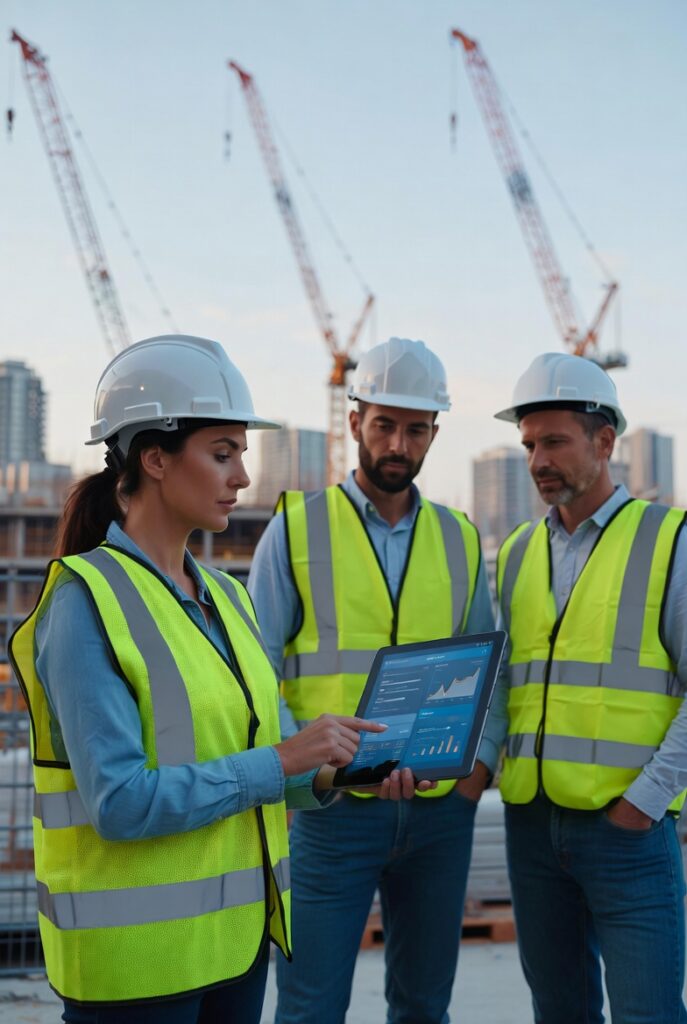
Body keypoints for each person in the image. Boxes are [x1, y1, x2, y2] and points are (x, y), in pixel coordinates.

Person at [9, 334, 395, 1023]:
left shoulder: (228, 597)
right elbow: (121, 804)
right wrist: (282, 758)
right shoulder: (84, 602)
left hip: (235, 950)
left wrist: (348, 770)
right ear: (154, 459)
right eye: (223, 454)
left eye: (240, 454)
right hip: (134, 973)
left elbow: (277, 763)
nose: (242, 477)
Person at [248, 336, 502, 1024]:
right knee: (309, 1006)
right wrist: (303, 776)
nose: (398, 443)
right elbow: (255, 669)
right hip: (329, 816)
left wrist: (475, 770)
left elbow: (488, 663)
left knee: (423, 1006)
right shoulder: (294, 530)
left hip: (437, 811)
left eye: (415, 429)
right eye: (384, 424)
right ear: (355, 419)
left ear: (433, 435)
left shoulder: (458, 536)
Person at [491, 351, 687, 1024]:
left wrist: (645, 800)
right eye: (527, 445)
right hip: (531, 824)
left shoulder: (670, 540)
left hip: (626, 830)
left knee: (648, 1013)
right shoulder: (515, 552)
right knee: (559, 1010)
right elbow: (504, 685)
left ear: (605, 442)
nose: (537, 460)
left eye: (553, 442)